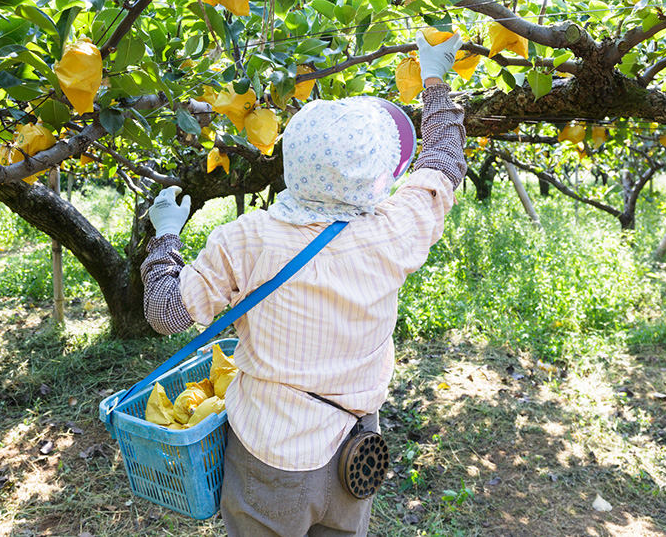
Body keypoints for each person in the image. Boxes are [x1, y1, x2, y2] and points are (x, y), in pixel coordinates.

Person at [140, 30, 467, 537]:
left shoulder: (245, 241)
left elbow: (166, 314)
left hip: (271, 455)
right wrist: (435, 80)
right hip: (355, 454)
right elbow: (443, 163)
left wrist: (164, 237)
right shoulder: (393, 231)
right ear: (377, 174)